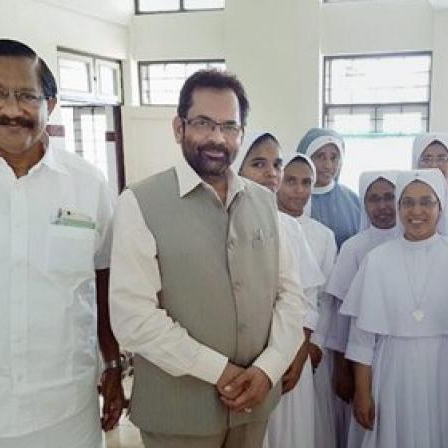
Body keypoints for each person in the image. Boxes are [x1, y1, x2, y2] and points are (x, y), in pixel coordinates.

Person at [0, 39, 124, 448]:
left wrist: (113, 364)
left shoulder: (87, 184)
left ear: (49, 104)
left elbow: (104, 281)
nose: (12, 110)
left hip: (64, 407)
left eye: (27, 96)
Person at [108, 70, 305, 448]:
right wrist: (220, 372)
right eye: (203, 124)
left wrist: (268, 369)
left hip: (254, 404)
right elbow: (133, 318)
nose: (217, 138)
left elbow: (291, 295)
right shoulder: (140, 203)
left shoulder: (265, 202)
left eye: (229, 126)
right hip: (178, 414)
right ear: (178, 128)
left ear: (241, 134)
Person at [340, 169, 448, 448]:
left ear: (440, 207)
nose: (416, 210)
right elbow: (362, 339)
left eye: (426, 202)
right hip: (391, 371)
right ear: (399, 208)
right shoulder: (377, 260)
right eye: (407, 202)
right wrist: (362, 391)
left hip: (447, 371)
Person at [229, 131, 324, 448]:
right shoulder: (221, 223)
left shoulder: (289, 227)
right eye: (258, 163)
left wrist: (299, 354)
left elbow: (306, 298)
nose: (271, 173)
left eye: (276, 164)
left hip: (289, 355)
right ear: (237, 168)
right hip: (240, 358)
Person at [320, 171, 399, 448]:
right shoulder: (354, 247)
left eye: (389, 197)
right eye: (373, 199)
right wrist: (342, 368)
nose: (382, 206)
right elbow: (343, 313)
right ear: (363, 205)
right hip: (362, 357)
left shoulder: (415, 240)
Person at [277, 152, 340, 448]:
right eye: (291, 181)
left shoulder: (323, 236)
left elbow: (324, 298)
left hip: (308, 345)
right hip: (268, 341)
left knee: (303, 424)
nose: (299, 190)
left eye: (306, 182)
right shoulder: (262, 224)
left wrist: (316, 344)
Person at [296, 128, 362, 249]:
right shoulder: (291, 197)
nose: (328, 165)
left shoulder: (353, 201)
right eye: (320, 157)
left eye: (334, 158)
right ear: (306, 158)